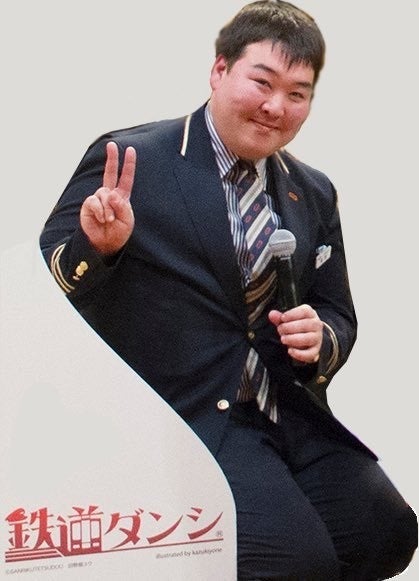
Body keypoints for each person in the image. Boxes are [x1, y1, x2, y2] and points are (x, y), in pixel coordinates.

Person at [39, 1, 417, 579]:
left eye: (297, 93)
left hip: (286, 409)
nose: (276, 106)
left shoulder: (312, 190)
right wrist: (98, 247)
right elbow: (46, 286)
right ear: (219, 70)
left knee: (387, 534)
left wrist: (321, 337)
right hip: (185, 415)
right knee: (296, 562)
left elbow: (338, 312)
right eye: (262, 82)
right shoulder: (134, 159)